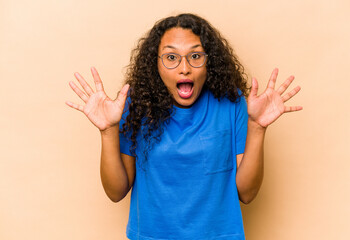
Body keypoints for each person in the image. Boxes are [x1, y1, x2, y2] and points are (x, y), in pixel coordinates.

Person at [66, 13, 302, 240]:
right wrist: (107, 131)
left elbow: (247, 194)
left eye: (196, 56)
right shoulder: (135, 106)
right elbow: (116, 192)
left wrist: (257, 127)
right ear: (155, 64)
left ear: (210, 61)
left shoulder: (233, 104)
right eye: (171, 57)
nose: (184, 68)